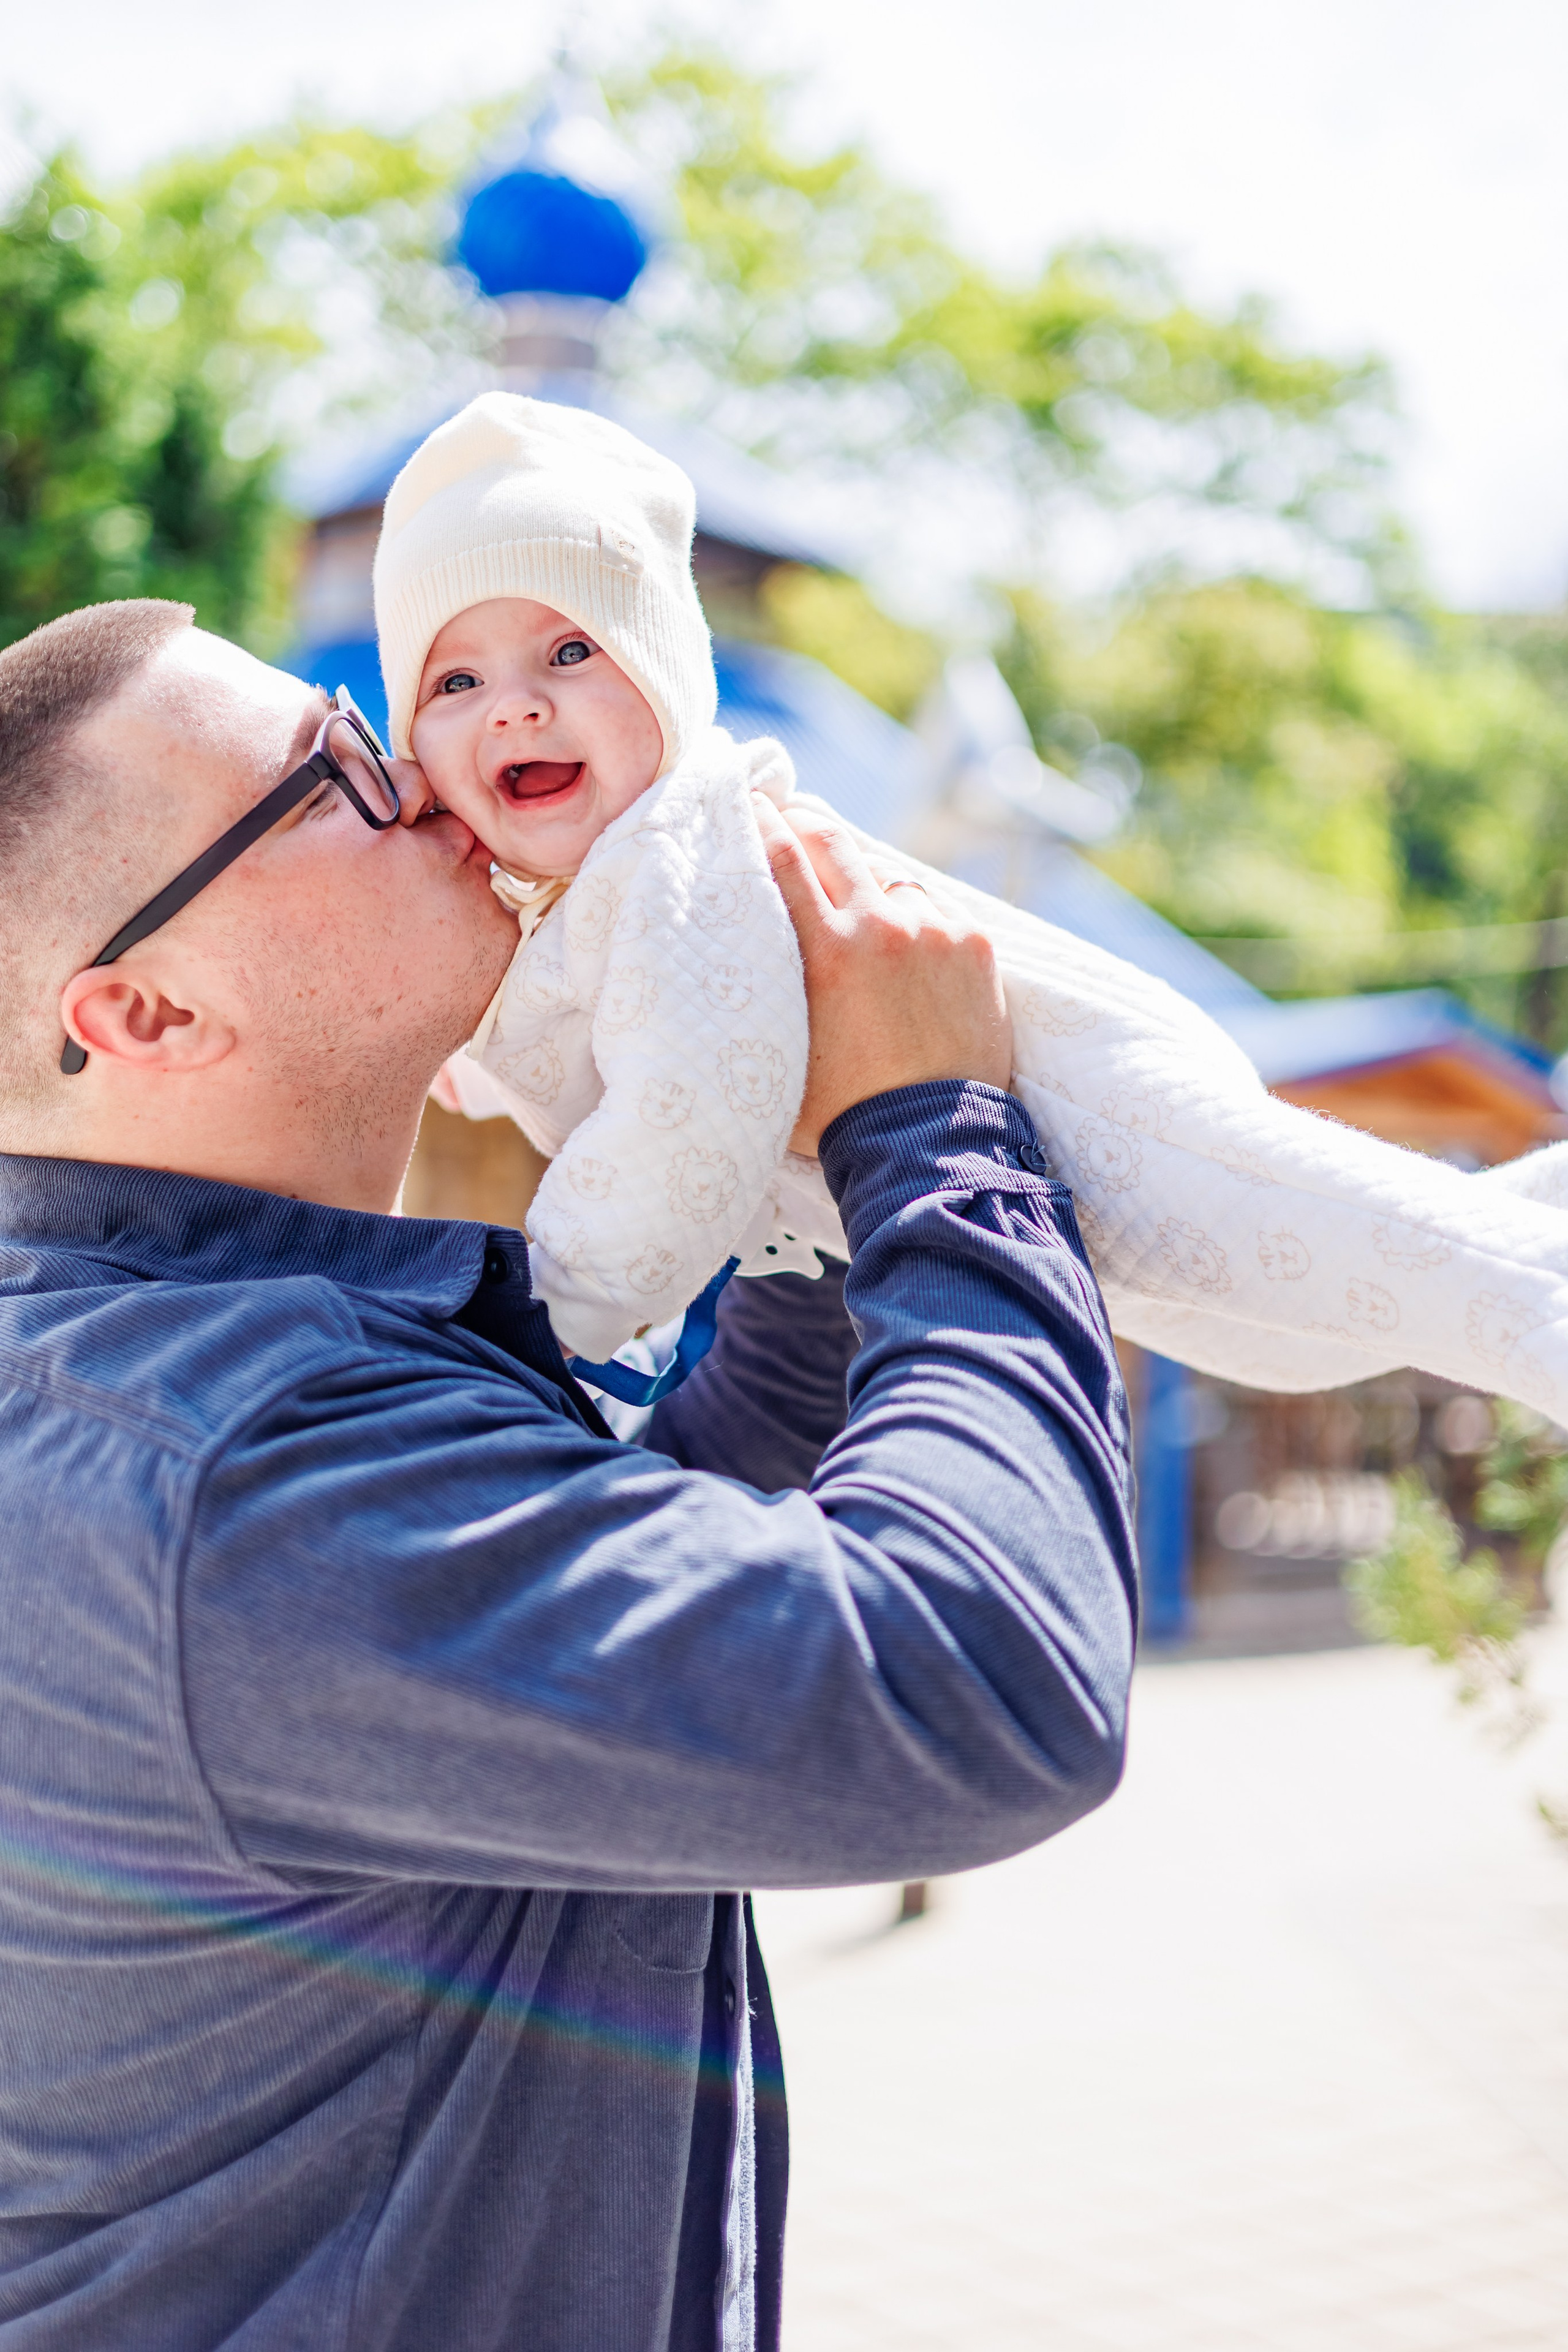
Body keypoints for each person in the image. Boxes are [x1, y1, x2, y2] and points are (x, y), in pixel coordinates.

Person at [0, 597, 1137, 2350]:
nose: (442, 782)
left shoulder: (152, 1373)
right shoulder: (234, 1480)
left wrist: (798, 1209)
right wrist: (938, 1139)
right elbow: (977, 1690)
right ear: (144, 1009)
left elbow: (622, 1570)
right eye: (340, 774)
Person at [374, 391, 1568, 1420]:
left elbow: (685, 1106)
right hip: (1025, 1154)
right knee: (1285, 1332)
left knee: (1414, 1273)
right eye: (457, 681)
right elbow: (581, 1024)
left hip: (1073, 1090)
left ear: (669, 678)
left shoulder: (679, 845)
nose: (515, 707)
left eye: (570, 653)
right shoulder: (566, 904)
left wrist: (556, 1304)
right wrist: (463, 1048)